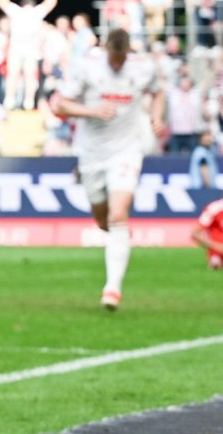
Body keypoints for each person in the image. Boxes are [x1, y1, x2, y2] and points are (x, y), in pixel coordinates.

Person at [54, 27, 165, 311]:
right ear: (106, 50)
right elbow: (60, 105)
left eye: (121, 59)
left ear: (128, 52)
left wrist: (155, 117)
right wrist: (92, 111)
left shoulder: (143, 68)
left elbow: (158, 92)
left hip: (127, 150)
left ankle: (112, 289)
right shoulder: (86, 67)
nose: (117, 64)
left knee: (118, 215)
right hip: (91, 152)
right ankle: (118, 239)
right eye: (113, 58)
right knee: (103, 219)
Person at [0, 0, 58, 111]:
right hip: (29, 50)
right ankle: (28, 101)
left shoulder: (16, 11)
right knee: (29, 75)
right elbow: (51, 1)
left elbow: (2, 1)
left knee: (13, 74)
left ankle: (10, 99)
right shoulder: (36, 12)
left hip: (18, 49)